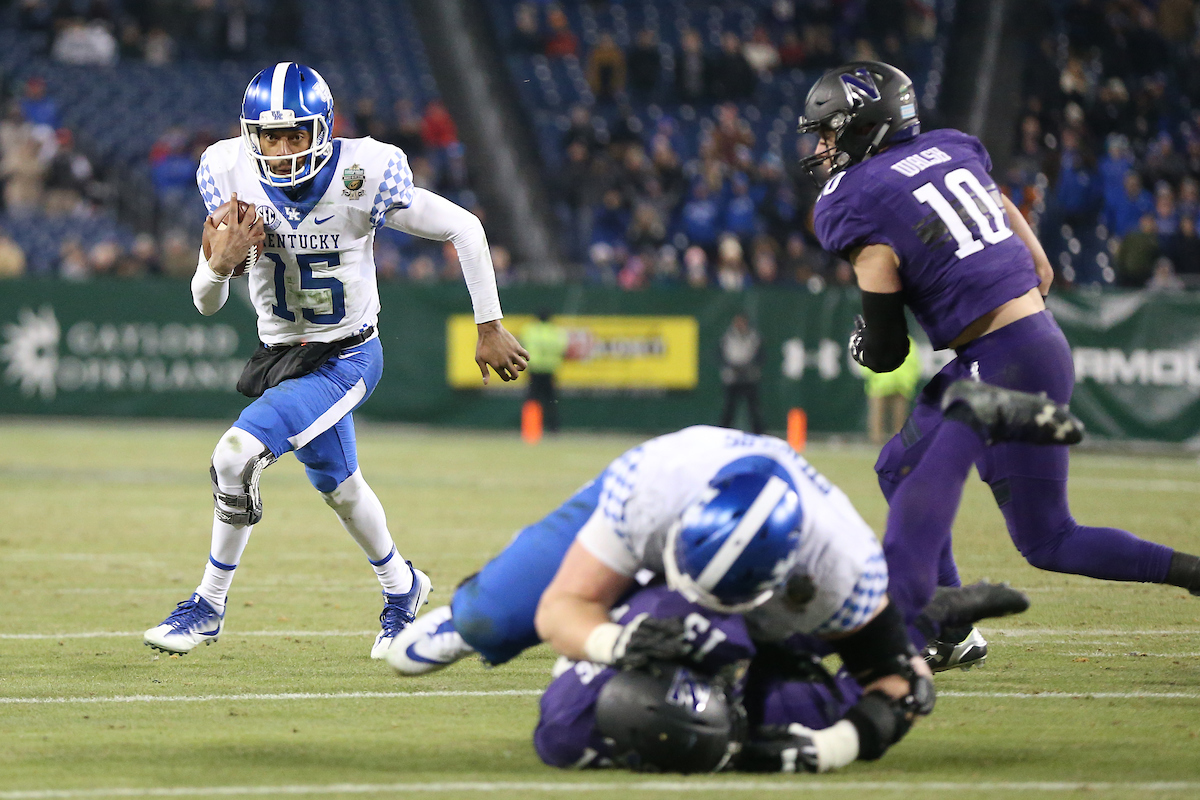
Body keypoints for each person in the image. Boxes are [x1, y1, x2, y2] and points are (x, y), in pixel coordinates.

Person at [800, 60, 1200, 672]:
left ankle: (956, 630)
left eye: (829, 131)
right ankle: (955, 628)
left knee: (1046, 539)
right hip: (1027, 344)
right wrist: (1034, 259)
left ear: (864, 127)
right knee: (907, 470)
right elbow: (1010, 217)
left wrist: (865, 342)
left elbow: (889, 353)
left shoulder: (855, 201)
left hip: (1005, 361)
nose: (823, 147)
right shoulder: (948, 149)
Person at [143, 62, 528, 659]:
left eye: (296, 133)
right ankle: (405, 590)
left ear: (322, 130)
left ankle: (208, 604)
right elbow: (205, 302)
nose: (282, 148)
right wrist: (219, 265)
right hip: (280, 355)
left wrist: (489, 325)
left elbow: (465, 227)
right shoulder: (228, 174)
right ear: (251, 135)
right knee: (341, 489)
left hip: (347, 354)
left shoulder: (362, 172)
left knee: (235, 455)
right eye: (270, 135)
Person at [387, 409, 1063, 676]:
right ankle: (483, 597)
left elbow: (883, 675)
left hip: (778, 558)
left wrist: (905, 642)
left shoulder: (838, 558)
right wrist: (612, 641)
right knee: (474, 626)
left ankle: (932, 617)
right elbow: (565, 608)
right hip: (669, 498)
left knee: (789, 656)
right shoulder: (655, 488)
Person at [534, 579, 1027, 773]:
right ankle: (928, 627)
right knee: (901, 688)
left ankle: (920, 613)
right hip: (736, 705)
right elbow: (879, 713)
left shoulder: (679, 623)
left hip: (688, 622)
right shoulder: (569, 737)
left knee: (800, 616)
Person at [860, 335, 922, 446]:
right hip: (879, 385)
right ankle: (875, 444)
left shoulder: (908, 342)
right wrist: (873, 378)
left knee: (899, 419)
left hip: (900, 387)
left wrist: (907, 382)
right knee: (877, 417)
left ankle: (899, 444)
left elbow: (914, 364)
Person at [521, 310, 568, 433]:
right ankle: (553, 428)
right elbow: (562, 349)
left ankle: (531, 429)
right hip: (550, 369)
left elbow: (523, 346)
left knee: (532, 399)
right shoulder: (556, 331)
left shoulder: (530, 330)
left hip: (534, 369)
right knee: (551, 401)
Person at [718, 313, 764, 434]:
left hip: (749, 377)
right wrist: (732, 367)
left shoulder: (753, 336)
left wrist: (748, 367)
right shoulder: (728, 336)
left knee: (753, 409)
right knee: (729, 409)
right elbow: (721, 354)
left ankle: (758, 434)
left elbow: (760, 355)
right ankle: (723, 433)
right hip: (732, 378)